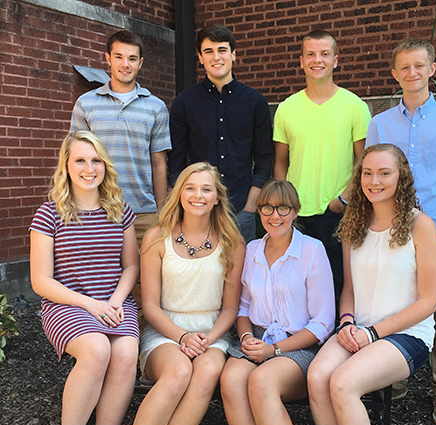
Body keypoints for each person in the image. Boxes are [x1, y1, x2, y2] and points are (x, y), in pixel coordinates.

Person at [103, 162, 245, 425]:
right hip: (166, 331)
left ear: (217, 198)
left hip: (212, 332)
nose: (198, 195)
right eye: (191, 188)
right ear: (179, 193)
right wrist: (181, 336)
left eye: (207, 189)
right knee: (179, 371)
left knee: (207, 370)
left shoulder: (233, 241)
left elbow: (230, 308)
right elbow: (149, 305)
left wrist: (209, 338)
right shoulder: (157, 237)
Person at [306, 144, 436, 425]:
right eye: (367, 173)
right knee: (317, 377)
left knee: (344, 382)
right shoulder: (352, 225)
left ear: (401, 176)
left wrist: (372, 331)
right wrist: (347, 321)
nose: (374, 181)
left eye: (384, 173)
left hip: (406, 335)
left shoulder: (421, 226)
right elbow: (348, 289)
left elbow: (428, 301)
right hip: (358, 329)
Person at [366, 38, 436, 425]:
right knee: (393, 305)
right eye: (404, 67)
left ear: (432, 69)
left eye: (419, 66)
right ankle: (393, 380)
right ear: (394, 74)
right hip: (392, 232)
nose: (412, 73)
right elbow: (375, 177)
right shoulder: (380, 123)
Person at [29, 131, 140, 425]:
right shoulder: (50, 213)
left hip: (114, 303)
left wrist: (114, 301)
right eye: (79, 160)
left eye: (95, 161)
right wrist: (91, 304)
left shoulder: (119, 209)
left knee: (125, 353)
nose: (88, 168)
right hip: (67, 305)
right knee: (95, 350)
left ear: (104, 166)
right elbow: (41, 281)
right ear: (66, 165)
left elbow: (131, 266)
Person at [220, 180, 335, 425]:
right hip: (255, 340)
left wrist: (275, 349)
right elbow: (242, 307)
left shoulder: (312, 250)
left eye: (283, 208)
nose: (275, 215)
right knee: (230, 380)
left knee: (262, 382)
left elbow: (323, 322)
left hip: (296, 346)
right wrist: (245, 339)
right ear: (260, 211)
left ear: (295, 212)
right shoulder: (252, 249)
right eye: (267, 207)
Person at [71, 30, 171, 325]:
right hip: (96, 209)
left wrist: (162, 212)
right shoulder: (86, 104)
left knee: (145, 280)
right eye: (119, 57)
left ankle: (143, 346)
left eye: (132, 58)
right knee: (97, 276)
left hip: (142, 211)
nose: (125, 64)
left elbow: (159, 162)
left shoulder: (156, 107)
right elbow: (74, 159)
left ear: (141, 63)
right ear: (107, 60)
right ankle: (98, 334)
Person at [273, 29, 371, 304]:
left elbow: (365, 161)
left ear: (336, 60)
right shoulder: (287, 108)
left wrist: (343, 199)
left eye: (325, 54)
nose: (318, 60)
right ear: (302, 61)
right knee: (298, 286)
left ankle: (338, 340)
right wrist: (284, 204)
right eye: (311, 54)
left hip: (338, 211)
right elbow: (280, 162)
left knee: (339, 283)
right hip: (297, 213)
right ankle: (303, 344)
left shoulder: (355, 106)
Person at [168, 24, 273, 243]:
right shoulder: (184, 103)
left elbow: (264, 159)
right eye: (209, 51)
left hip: (241, 210)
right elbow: (176, 160)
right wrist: (186, 206)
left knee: (240, 275)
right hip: (197, 211)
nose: (216, 57)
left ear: (233, 55)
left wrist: (250, 206)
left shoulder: (255, 102)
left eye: (222, 50)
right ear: (200, 57)